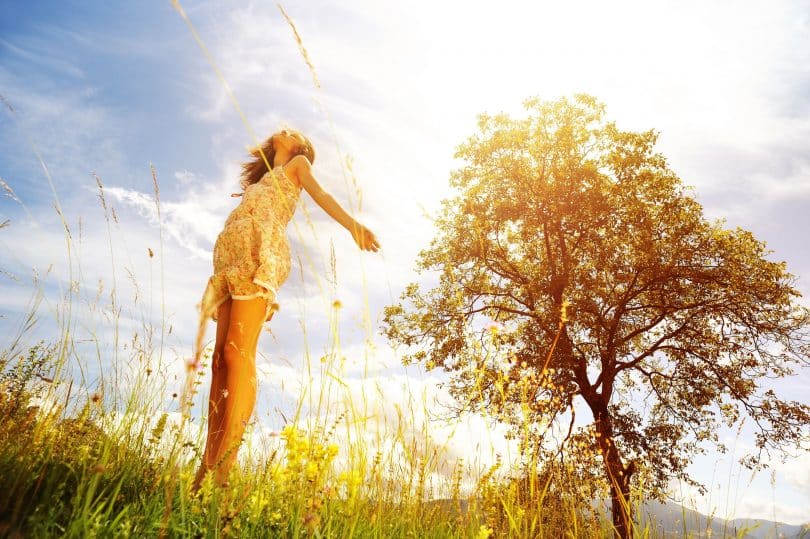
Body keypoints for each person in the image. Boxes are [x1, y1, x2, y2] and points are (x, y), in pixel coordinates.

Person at [191, 129, 379, 493]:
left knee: (237, 352)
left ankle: (224, 470)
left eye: (294, 131)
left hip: (261, 252)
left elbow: (320, 193)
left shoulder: (298, 163)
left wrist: (353, 225)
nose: (285, 128)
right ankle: (206, 465)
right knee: (217, 361)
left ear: (301, 146)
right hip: (232, 254)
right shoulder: (262, 178)